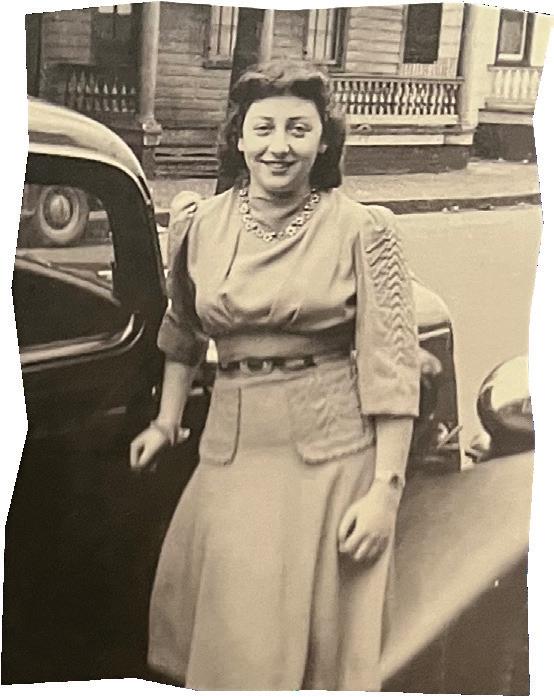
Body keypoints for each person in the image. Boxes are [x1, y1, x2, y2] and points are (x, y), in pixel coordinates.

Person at [130, 60, 420, 690]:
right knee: (236, 640)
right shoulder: (201, 225)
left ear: (323, 141)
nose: (279, 147)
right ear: (239, 138)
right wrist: (166, 422)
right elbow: (183, 330)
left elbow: (392, 363)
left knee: (313, 654)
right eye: (263, 129)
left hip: (330, 462)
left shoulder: (364, 230)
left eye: (298, 129)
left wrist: (385, 492)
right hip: (232, 454)